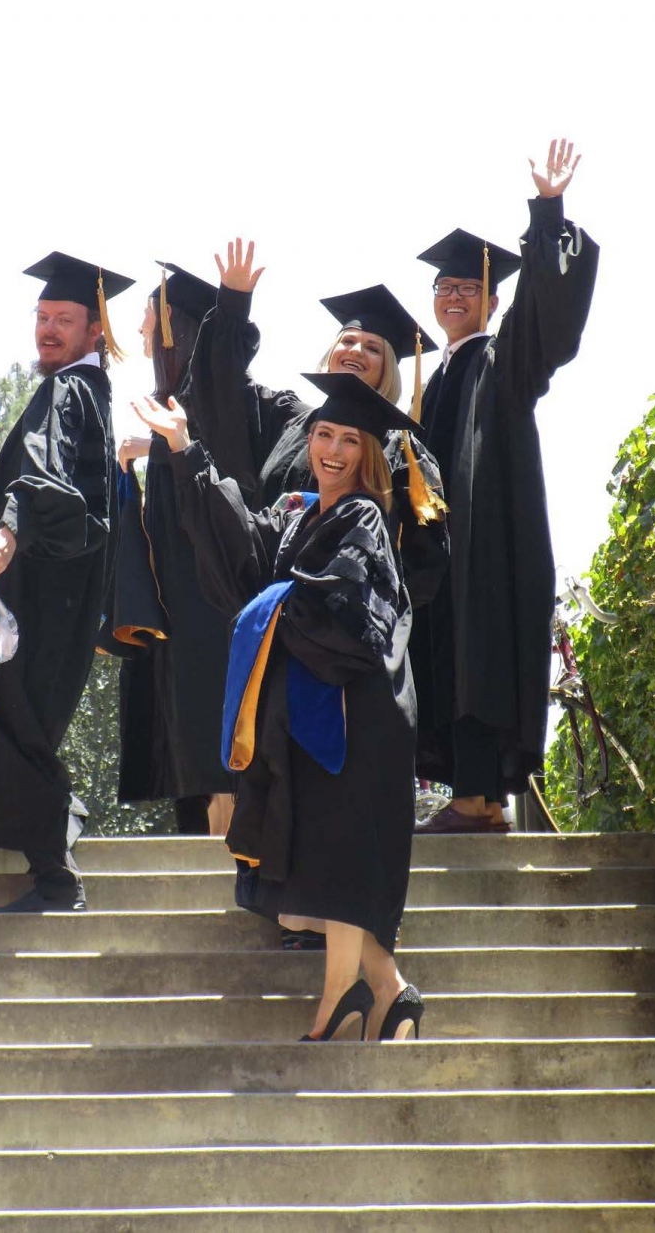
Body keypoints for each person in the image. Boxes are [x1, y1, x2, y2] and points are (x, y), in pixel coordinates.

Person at [132, 371, 423, 1043]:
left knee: (337, 859)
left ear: (367, 454)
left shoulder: (364, 517)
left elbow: (348, 614)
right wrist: (185, 450)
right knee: (313, 868)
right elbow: (244, 549)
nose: (333, 449)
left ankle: (337, 1000)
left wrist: (276, 603)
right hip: (301, 712)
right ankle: (391, 989)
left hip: (351, 715)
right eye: (324, 433)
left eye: (350, 440)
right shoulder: (299, 514)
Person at [0, 252, 133, 911]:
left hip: (35, 595)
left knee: (0, 708)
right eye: (42, 317)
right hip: (57, 597)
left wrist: (9, 530)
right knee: (6, 709)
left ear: (95, 330)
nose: (48, 329)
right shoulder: (91, 392)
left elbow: (45, 474)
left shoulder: (70, 390)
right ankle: (59, 816)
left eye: (64, 319)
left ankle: (56, 874)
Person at [412, 139, 599, 833]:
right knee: (456, 661)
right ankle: (484, 802)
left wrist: (547, 211)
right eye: (445, 287)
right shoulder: (429, 383)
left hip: (487, 548)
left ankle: (473, 800)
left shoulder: (501, 357)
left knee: (478, 661)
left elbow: (546, 321)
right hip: (445, 554)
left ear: (492, 301)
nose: (454, 295)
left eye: (468, 288)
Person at [187, 247, 449, 611]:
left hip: (344, 633)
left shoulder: (406, 454)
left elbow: (424, 564)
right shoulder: (290, 419)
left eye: (373, 348)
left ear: (388, 367)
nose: (356, 350)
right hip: (266, 609)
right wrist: (232, 304)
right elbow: (224, 390)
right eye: (347, 340)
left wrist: (355, 611)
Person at [106, 263, 235, 836]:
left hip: (210, 604)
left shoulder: (207, 397)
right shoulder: (167, 400)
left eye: (146, 319)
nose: (137, 331)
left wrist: (157, 449)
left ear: (172, 327)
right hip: (177, 608)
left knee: (210, 739)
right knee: (184, 739)